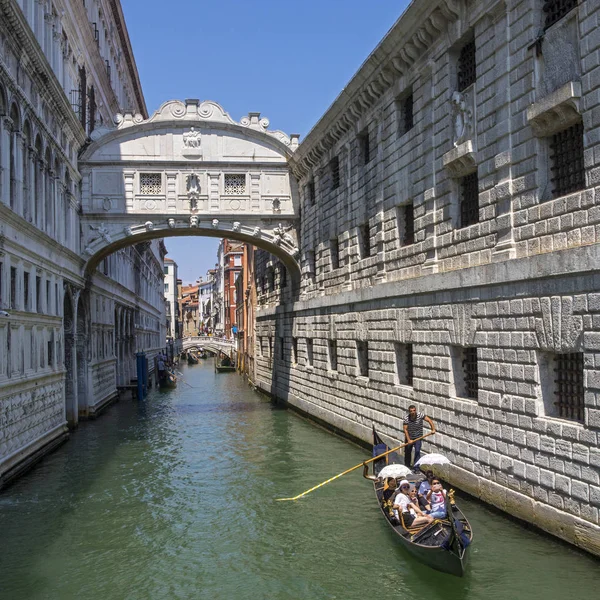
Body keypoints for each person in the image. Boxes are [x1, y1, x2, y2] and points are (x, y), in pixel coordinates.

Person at [403, 405, 435, 470]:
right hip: (409, 437)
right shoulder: (406, 418)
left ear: (415, 410)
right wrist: (409, 440)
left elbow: (429, 420)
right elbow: (405, 430)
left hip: (418, 437)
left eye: (414, 410)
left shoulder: (420, 415)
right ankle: (407, 466)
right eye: (411, 411)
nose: (413, 412)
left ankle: (416, 468)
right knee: (408, 452)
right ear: (409, 412)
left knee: (417, 452)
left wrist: (433, 429)